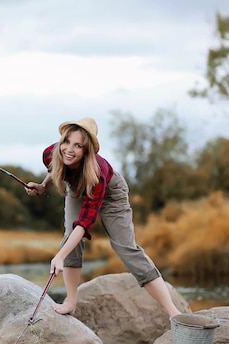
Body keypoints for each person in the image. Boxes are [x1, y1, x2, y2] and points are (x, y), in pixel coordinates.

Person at [25, 117, 182, 318]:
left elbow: (84, 223)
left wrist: (60, 256)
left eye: (78, 145)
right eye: (67, 142)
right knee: (70, 239)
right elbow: (56, 166)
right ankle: (70, 302)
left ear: (87, 150)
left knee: (125, 248)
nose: (69, 149)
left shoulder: (99, 173)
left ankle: (173, 313)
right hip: (77, 189)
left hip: (111, 194)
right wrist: (43, 186)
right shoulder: (50, 153)